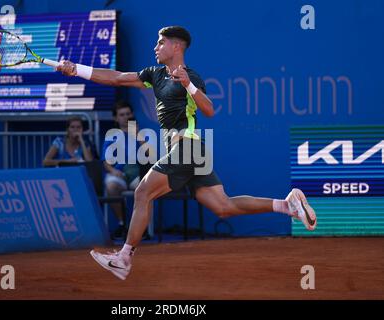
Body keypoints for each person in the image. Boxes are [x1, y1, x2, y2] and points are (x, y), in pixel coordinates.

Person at [57, 26, 317, 280]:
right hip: (188, 152)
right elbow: (117, 77)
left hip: (188, 148)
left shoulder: (191, 77)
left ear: (176, 46)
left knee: (142, 192)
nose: (155, 47)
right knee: (223, 206)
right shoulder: (154, 74)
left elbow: (210, 110)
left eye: (161, 43)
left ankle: (124, 258)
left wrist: (189, 85)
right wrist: (76, 69)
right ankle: (286, 205)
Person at [101, 101, 142, 240]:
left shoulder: (142, 133)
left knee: (146, 188)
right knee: (111, 186)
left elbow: (150, 156)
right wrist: (112, 171)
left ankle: (142, 228)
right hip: (119, 174)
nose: (125, 117)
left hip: (137, 175)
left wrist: (138, 136)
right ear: (116, 118)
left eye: (128, 114)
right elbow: (105, 162)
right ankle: (122, 223)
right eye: (122, 115)